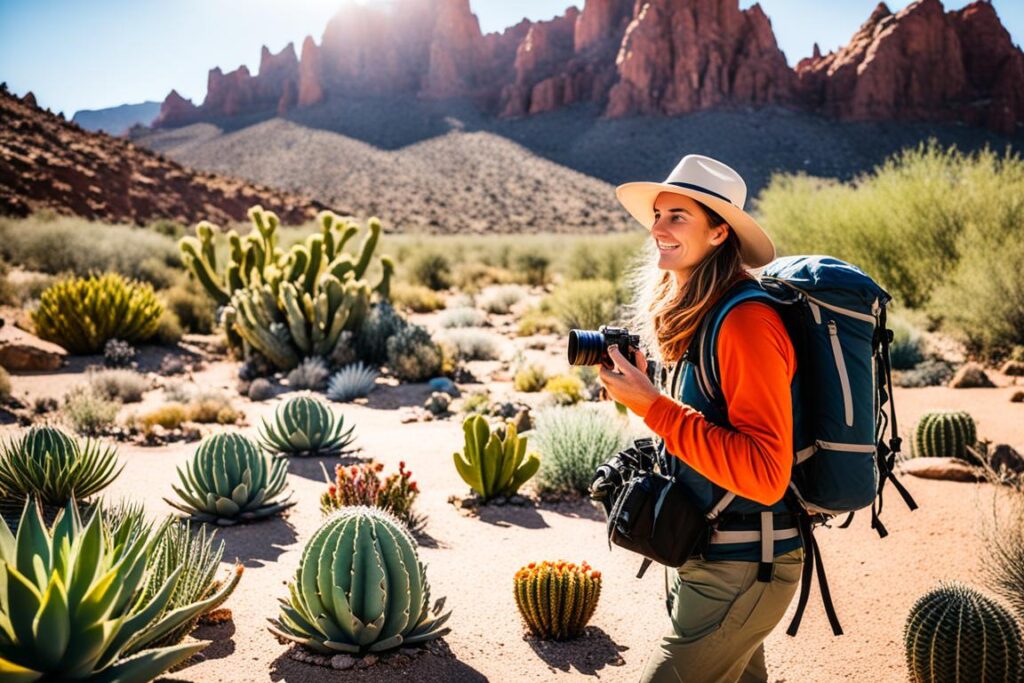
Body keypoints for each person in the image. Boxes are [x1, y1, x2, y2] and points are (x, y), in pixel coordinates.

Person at [597, 154, 804, 683]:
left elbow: (764, 472)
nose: (658, 229)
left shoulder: (745, 322)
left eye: (677, 217)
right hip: (707, 552)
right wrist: (648, 397)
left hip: (742, 567)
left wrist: (654, 407)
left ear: (718, 234)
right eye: (657, 215)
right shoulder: (705, 315)